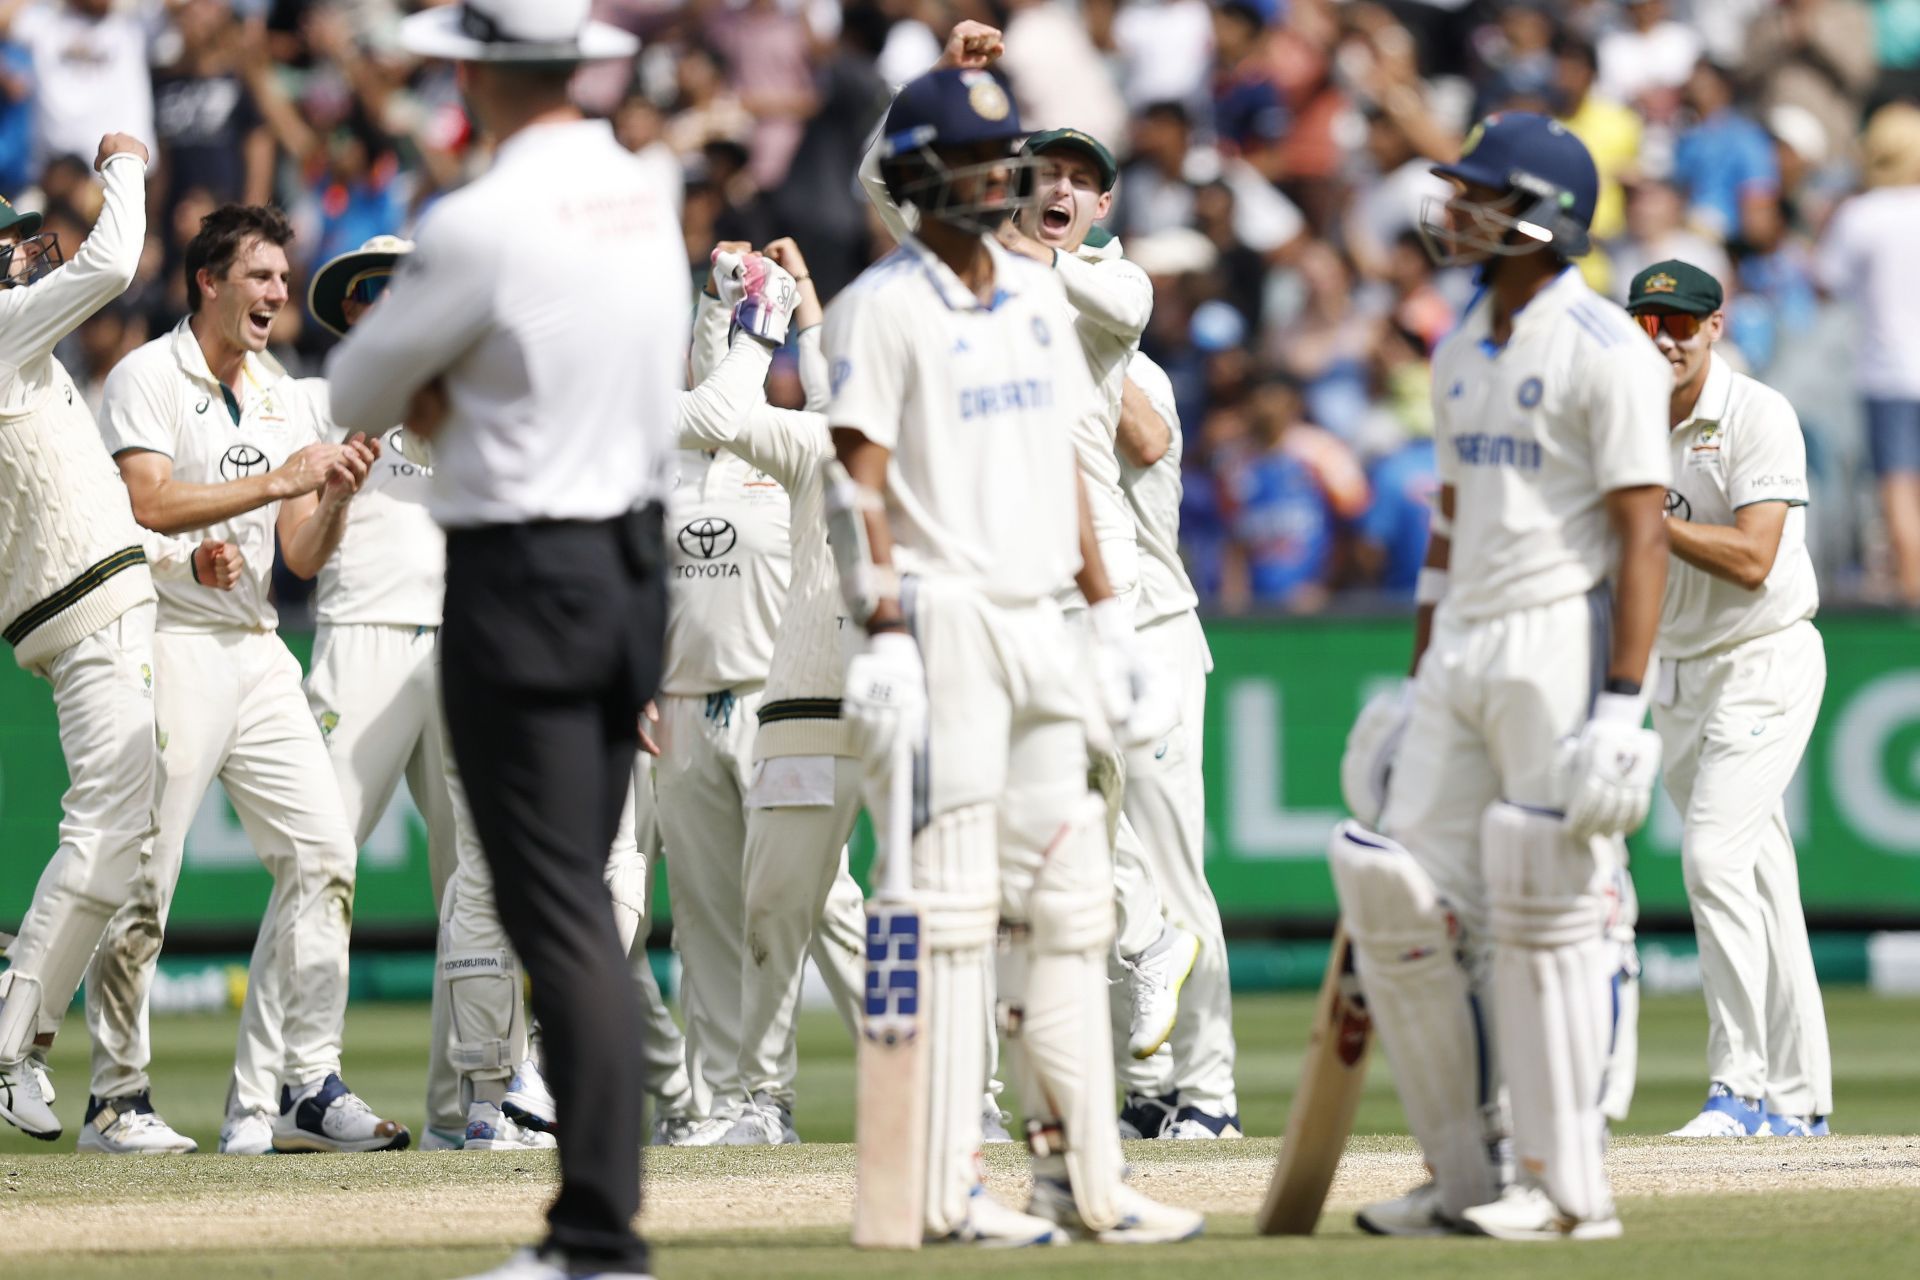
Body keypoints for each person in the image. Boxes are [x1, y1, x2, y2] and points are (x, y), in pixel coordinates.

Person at [325, 2, 685, 1275]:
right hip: (633, 569)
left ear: (477, 71)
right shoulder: (650, 190)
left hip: (523, 573)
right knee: (575, 902)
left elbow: (354, 389)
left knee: (555, 915)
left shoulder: (480, 219)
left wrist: (450, 382)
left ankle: (596, 1230)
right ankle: (601, 1217)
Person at [826, 62, 1199, 1245]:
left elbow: (1072, 478)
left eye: (1013, 164)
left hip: (1045, 621)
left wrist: (1105, 616)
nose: (1007, 184)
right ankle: (939, 1186)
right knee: (942, 911)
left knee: (1070, 903)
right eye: (988, 166)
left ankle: (1085, 1181)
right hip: (938, 625)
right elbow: (857, 487)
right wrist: (881, 628)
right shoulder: (878, 308)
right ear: (927, 179)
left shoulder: (1046, 301)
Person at [1338, 112, 1671, 1241]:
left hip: (1552, 637)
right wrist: (1417, 672)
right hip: (1467, 641)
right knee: (1395, 891)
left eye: (1481, 193)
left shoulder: (1606, 347)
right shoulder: (1455, 337)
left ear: (1542, 215)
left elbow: (1643, 537)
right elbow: (1448, 520)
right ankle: (1464, 1175)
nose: (1458, 210)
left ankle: (1569, 1185)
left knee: (1547, 904)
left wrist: (1623, 705)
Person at [82, 202, 400, 1156]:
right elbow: (147, 500)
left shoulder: (287, 394)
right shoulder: (147, 374)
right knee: (148, 876)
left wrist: (332, 500)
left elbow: (297, 555)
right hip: (168, 640)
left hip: (258, 649)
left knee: (323, 853)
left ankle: (308, 1082)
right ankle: (115, 1099)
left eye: (279, 276)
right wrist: (269, 487)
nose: (276, 293)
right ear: (209, 281)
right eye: (259, 275)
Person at [0, 131, 242, 1141]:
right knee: (105, 828)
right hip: (83, 617)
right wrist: (130, 164)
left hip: (106, 597)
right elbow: (111, 260)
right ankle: (11, 1038)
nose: (31, 253)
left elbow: (89, 506)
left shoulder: (36, 367)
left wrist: (178, 563)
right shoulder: (4, 334)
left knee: (118, 837)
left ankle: (17, 1018)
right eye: (14, 244)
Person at [210, 235, 465, 1156]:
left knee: (471, 890)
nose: (388, 307)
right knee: (318, 871)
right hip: (359, 640)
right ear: (352, 309)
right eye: (371, 294)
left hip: (465, 649)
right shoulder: (316, 401)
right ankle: (267, 1098)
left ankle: (463, 1109)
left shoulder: (464, 401)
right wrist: (341, 494)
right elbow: (300, 559)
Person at [1624, 259, 1832, 1138]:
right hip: (1678, 672)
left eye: (1683, 322)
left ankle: (1738, 1088)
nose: (1666, 338)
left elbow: (1753, 560)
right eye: (1649, 321)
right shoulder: (1619, 418)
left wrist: (1645, 518)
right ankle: (1802, 1101)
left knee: (1712, 857)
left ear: (1715, 327)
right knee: (1761, 880)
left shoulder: (1757, 413)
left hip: (1763, 658)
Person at [671, 240, 869, 1149]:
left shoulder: (791, 445)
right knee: (711, 920)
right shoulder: (669, 461)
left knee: (820, 904)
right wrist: (728, 301)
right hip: (679, 703)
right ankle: (732, 1105)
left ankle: (917, 1069)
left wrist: (798, 308)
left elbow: (842, 418)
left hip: (776, 702)